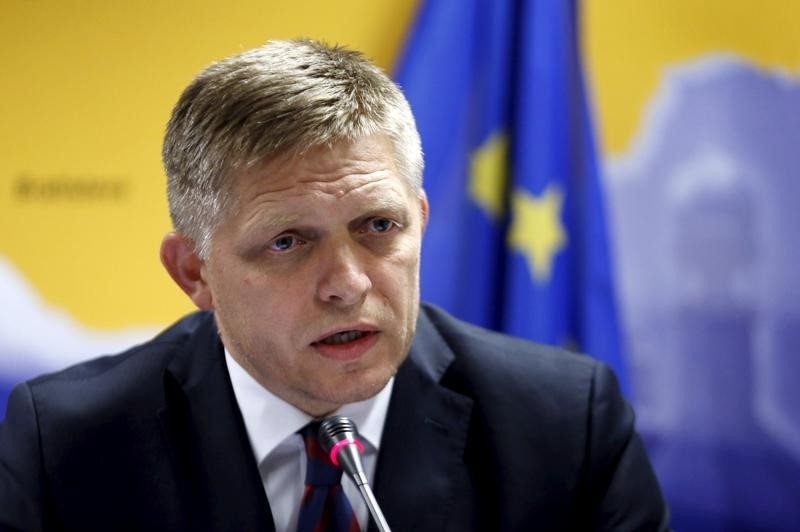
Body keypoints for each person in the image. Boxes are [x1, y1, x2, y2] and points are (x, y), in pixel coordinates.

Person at [0, 39, 669, 531]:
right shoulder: (67, 444)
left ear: (422, 221)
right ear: (194, 271)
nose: (348, 285)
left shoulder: (565, 426)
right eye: (288, 242)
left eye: (378, 225)